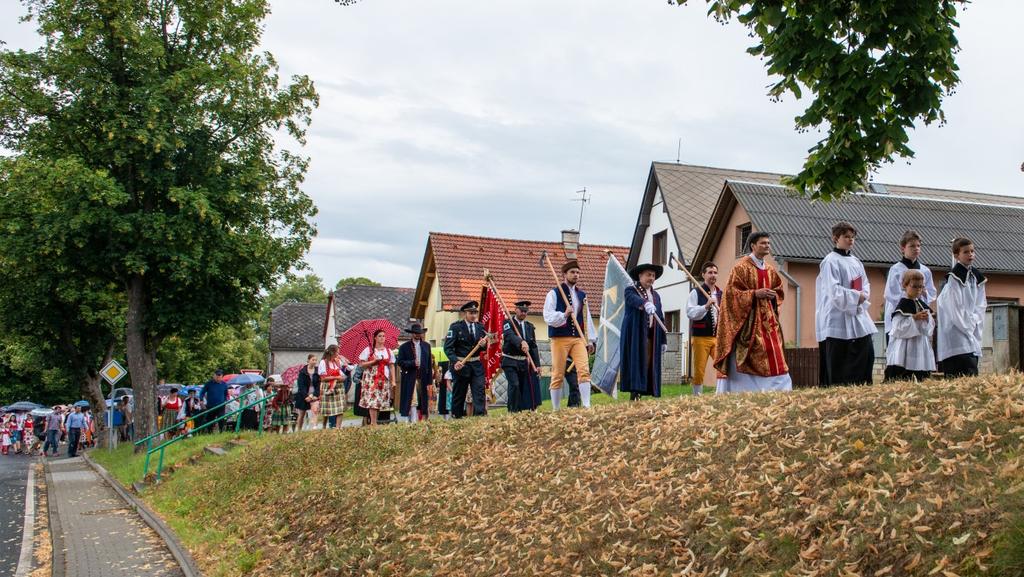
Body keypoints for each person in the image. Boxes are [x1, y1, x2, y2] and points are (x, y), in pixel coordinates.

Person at [714, 231, 793, 392]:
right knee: (752, 350)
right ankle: (743, 389)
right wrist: (754, 294)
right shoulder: (741, 268)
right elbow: (731, 295)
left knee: (773, 350)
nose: (767, 246)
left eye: (768, 243)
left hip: (769, 323)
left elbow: (778, 290)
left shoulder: (771, 270)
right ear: (753, 245)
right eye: (763, 243)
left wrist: (773, 296)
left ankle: (779, 388)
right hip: (748, 322)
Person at [815, 221, 877, 386]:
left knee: (866, 351)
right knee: (839, 359)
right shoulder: (830, 261)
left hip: (857, 313)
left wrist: (861, 297)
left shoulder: (856, 261)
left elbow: (865, 284)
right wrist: (857, 296)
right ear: (835, 238)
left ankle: (862, 384)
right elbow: (833, 291)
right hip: (837, 316)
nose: (850, 240)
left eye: (852, 237)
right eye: (846, 237)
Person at [543, 260, 597, 410]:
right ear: (564, 274)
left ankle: (586, 405)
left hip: (578, 339)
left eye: (578, 272)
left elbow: (587, 317)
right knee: (558, 373)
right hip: (559, 338)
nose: (576, 275)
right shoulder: (554, 293)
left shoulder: (582, 295)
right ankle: (556, 408)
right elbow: (547, 316)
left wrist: (590, 339)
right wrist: (564, 315)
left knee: (584, 370)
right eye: (573, 272)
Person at [937, 237, 987, 378]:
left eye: (972, 251)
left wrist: (975, 320)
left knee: (971, 371)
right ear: (956, 256)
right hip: (957, 332)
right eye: (965, 252)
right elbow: (955, 308)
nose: (970, 254)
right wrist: (968, 324)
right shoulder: (954, 279)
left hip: (971, 328)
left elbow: (981, 304)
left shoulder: (977, 277)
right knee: (959, 371)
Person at [620, 263, 667, 400]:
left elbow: (661, 318)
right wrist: (644, 303)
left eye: (653, 275)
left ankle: (644, 392)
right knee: (636, 362)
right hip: (635, 335)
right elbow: (633, 300)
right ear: (640, 276)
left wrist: (663, 340)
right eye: (648, 275)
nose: (651, 278)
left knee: (648, 364)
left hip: (651, 336)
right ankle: (635, 394)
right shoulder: (631, 290)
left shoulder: (656, 295)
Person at [883, 230, 937, 341]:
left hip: (919, 316)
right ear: (903, 248)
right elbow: (891, 294)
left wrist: (924, 293)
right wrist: (910, 295)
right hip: (901, 316)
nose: (916, 248)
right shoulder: (896, 270)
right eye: (912, 246)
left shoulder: (925, 270)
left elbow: (931, 293)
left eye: (918, 246)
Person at [884, 270, 936, 382]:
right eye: (914, 286)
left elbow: (929, 329)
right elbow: (897, 328)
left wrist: (928, 319)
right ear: (905, 285)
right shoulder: (902, 305)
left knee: (920, 377)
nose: (918, 290)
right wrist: (913, 318)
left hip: (920, 345)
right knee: (903, 377)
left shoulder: (921, 304)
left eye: (921, 287)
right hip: (905, 347)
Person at [444, 301, 490, 418]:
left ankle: (479, 416)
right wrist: (455, 361)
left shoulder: (480, 327)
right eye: (471, 313)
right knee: (459, 393)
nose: (474, 315)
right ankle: (457, 416)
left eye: (475, 313)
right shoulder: (456, 327)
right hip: (461, 365)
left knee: (479, 391)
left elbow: (484, 348)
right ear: (465, 313)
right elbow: (448, 348)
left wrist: (483, 344)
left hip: (476, 364)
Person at [686, 261, 722, 395]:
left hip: (717, 338)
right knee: (699, 370)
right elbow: (690, 313)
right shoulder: (696, 293)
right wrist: (706, 306)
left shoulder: (720, 293)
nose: (713, 275)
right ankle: (697, 396)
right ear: (703, 275)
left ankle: (721, 392)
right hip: (700, 337)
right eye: (710, 272)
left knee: (722, 366)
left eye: (715, 272)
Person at [501, 301, 540, 413]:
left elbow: (533, 347)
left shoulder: (529, 327)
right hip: (510, 360)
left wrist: (537, 365)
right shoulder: (508, 323)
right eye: (521, 310)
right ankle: (513, 411)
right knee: (514, 384)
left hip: (523, 362)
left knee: (522, 387)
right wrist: (521, 342)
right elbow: (509, 336)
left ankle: (517, 410)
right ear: (516, 310)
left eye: (525, 311)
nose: (523, 313)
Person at [396, 323, 434, 422]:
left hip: (423, 377)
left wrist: (430, 381)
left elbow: (429, 365)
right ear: (412, 334)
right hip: (410, 377)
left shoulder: (426, 346)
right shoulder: (404, 347)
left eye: (419, 333)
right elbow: (400, 362)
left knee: (423, 400)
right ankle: (412, 421)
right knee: (412, 400)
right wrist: (412, 363)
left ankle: (422, 420)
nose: (418, 335)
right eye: (415, 333)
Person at [358, 329, 396, 426]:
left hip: (383, 377)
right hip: (371, 377)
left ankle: (373, 422)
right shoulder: (369, 350)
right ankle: (374, 423)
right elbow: (361, 364)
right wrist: (372, 362)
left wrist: (393, 380)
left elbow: (391, 365)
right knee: (373, 400)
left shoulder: (388, 351)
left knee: (380, 401)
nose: (382, 338)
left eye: (383, 336)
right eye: (379, 336)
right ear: (375, 338)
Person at [318, 345, 348, 428]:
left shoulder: (337, 362)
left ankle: (338, 427)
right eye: (337, 352)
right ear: (332, 352)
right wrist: (335, 377)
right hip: (327, 387)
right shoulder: (323, 362)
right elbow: (323, 378)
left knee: (340, 408)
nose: (338, 354)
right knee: (327, 409)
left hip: (338, 387)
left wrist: (342, 377)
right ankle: (324, 426)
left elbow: (343, 376)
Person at [294, 354, 320, 431]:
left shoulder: (318, 371)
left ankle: (313, 429)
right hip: (303, 396)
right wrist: (306, 396)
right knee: (302, 414)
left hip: (314, 395)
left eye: (315, 360)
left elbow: (319, 384)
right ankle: (299, 430)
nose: (314, 362)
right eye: (313, 360)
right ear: (308, 360)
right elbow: (301, 385)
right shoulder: (302, 372)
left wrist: (314, 395)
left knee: (315, 411)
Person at [200, 369, 229, 433]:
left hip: (221, 405)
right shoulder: (209, 383)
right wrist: (201, 400)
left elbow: (226, 394)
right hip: (211, 405)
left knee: (221, 419)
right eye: (217, 376)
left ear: (222, 376)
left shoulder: (224, 384)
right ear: (214, 376)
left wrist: (226, 400)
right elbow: (202, 392)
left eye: (220, 376)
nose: (218, 377)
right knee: (210, 420)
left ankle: (221, 432)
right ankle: (210, 432)